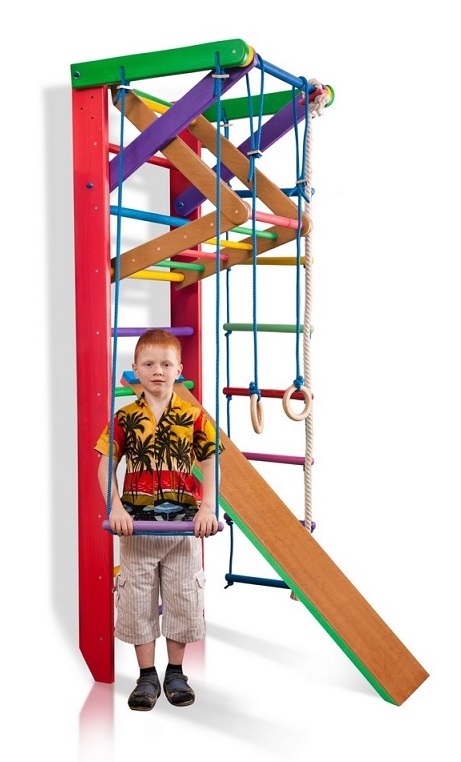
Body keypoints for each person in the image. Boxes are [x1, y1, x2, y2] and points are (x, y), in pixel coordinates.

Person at [95, 328, 223, 711]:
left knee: (183, 598)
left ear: (179, 370)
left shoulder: (193, 416)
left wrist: (207, 507)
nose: (157, 371)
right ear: (134, 369)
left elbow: (210, 462)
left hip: (182, 528)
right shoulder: (125, 417)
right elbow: (105, 464)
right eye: (148, 364)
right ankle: (147, 675)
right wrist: (115, 507)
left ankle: (176, 672)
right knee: (137, 600)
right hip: (138, 528)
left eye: (166, 364)